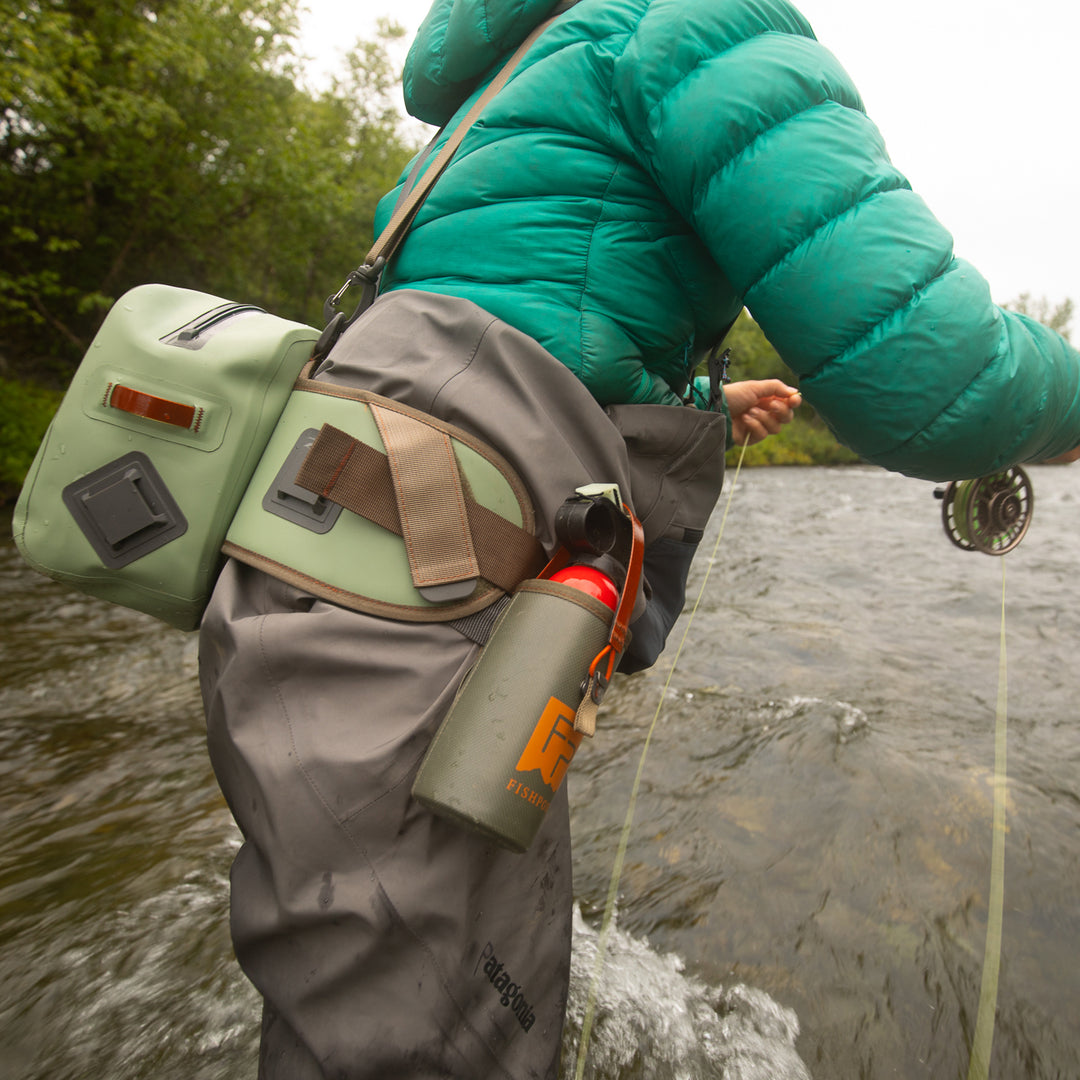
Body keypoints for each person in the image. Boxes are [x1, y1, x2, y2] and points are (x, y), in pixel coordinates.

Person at [197, 0, 1080, 1077]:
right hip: (417, 602)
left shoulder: (527, 56)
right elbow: (940, 381)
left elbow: (524, 298)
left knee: (371, 1002)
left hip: (302, 564)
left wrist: (696, 390)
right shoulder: (696, 25)